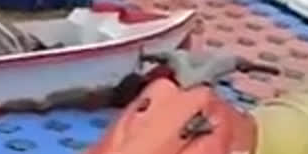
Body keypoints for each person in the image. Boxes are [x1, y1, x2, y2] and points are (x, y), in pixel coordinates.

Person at [110, 49, 278, 107]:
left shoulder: (177, 57)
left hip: (183, 92)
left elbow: (155, 57)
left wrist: (145, 56)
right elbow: (247, 65)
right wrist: (270, 70)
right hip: (197, 93)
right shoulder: (221, 61)